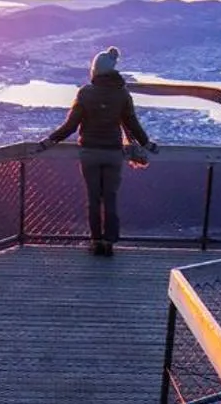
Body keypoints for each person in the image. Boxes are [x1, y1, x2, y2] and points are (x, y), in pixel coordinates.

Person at [32, 46, 156, 256]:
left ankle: (96, 240)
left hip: (89, 152)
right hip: (113, 153)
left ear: (95, 70)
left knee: (93, 198)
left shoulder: (85, 93)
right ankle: (109, 242)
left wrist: (49, 141)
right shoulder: (122, 94)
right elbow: (132, 123)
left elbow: (70, 125)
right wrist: (147, 144)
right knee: (110, 197)